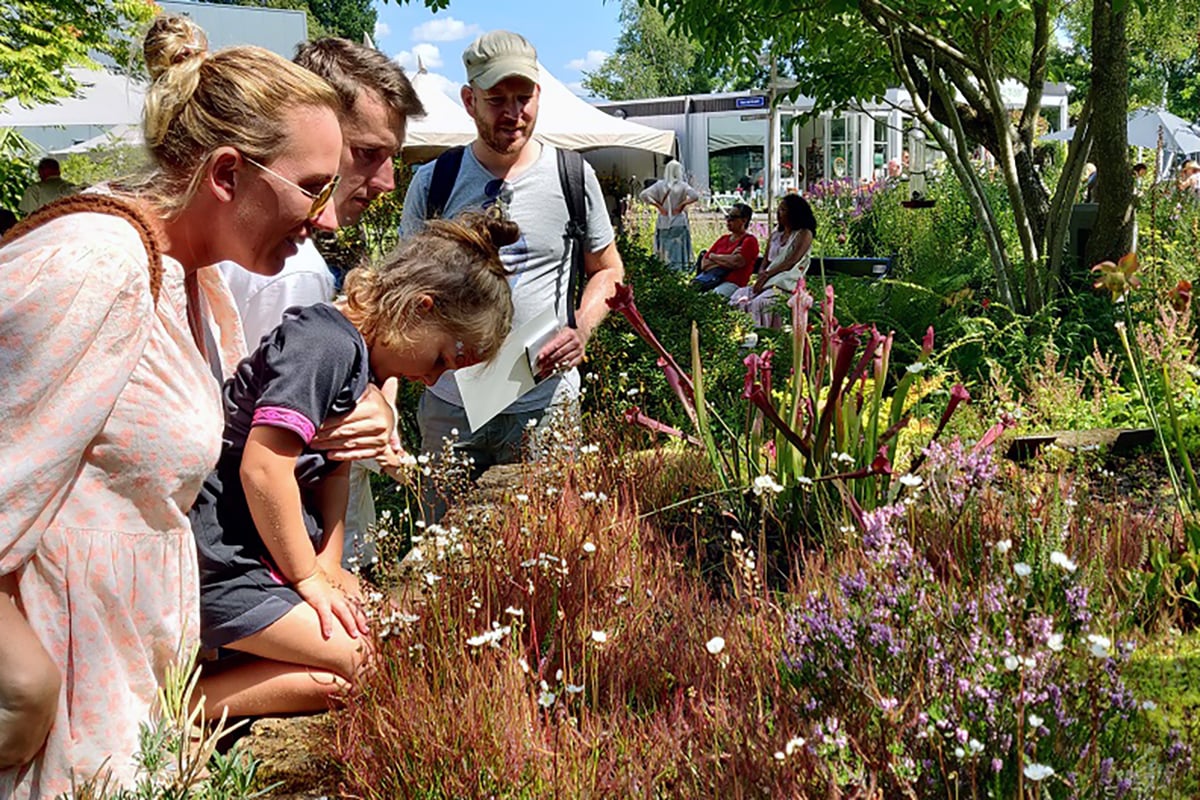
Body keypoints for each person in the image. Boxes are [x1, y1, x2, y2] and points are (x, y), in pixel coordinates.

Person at [0, 15, 344, 797]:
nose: (327, 218)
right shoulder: (97, 262)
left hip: (120, 702)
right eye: (313, 187)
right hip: (54, 721)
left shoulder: (193, 283)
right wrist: (24, 687)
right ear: (227, 173)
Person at [192, 212, 515, 717]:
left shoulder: (356, 358)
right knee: (366, 663)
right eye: (439, 360)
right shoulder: (325, 344)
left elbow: (334, 469)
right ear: (418, 308)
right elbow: (263, 469)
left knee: (389, 636)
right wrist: (310, 580)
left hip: (266, 556)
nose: (430, 381)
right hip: (226, 559)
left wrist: (329, 564)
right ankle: (179, 708)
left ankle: (206, 693)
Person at [220, 37, 425, 569]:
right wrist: (318, 571)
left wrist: (379, 392)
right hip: (283, 555)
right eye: (367, 154)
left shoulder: (285, 248)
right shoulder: (288, 267)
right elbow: (267, 441)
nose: (385, 182)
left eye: (393, 158)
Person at [399, 30, 623, 509]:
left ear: (539, 95)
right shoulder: (434, 181)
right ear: (468, 100)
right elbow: (401, 291)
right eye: (496, 99)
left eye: (523, 98)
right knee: (446, 555)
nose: (512, 113)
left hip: (545, 405)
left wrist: (581, 329)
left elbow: (608, 271)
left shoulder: (573, 176)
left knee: (550, 549)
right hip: (450, 408)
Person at [729, 193, 817, 328]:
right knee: (739, 296)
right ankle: (739, 336)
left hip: (785, 283)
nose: (779, 213)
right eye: (779, 209)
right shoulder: (776, 235)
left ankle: (762, 336)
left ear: (795, 213)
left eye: (783, 210)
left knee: (760, 303)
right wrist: (761, 275)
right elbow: (765, 260)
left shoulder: (804, 234)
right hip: (766, 280)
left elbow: (792, 261)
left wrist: (767, 275)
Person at [639, 159, 700, 271]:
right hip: (678, 220)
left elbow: (643, 195)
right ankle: (680, 268)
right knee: (679, 246)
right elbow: (695, 196)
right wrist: (682, 204)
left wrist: (659, 206)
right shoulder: (682, 185)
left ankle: (665, 269)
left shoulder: (659, 185)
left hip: (664, 220)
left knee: (664, 247)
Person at [692, 202, 759, 298]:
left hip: (733, 284)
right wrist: (729, 258)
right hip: (710, 280)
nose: (728, 220)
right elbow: (704, 264)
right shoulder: (723, 239)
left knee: (709, 299)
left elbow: (737, 263)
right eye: (727, 216)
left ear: (744, 220)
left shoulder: (749, 241)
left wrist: (713, 257)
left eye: (733, 217)